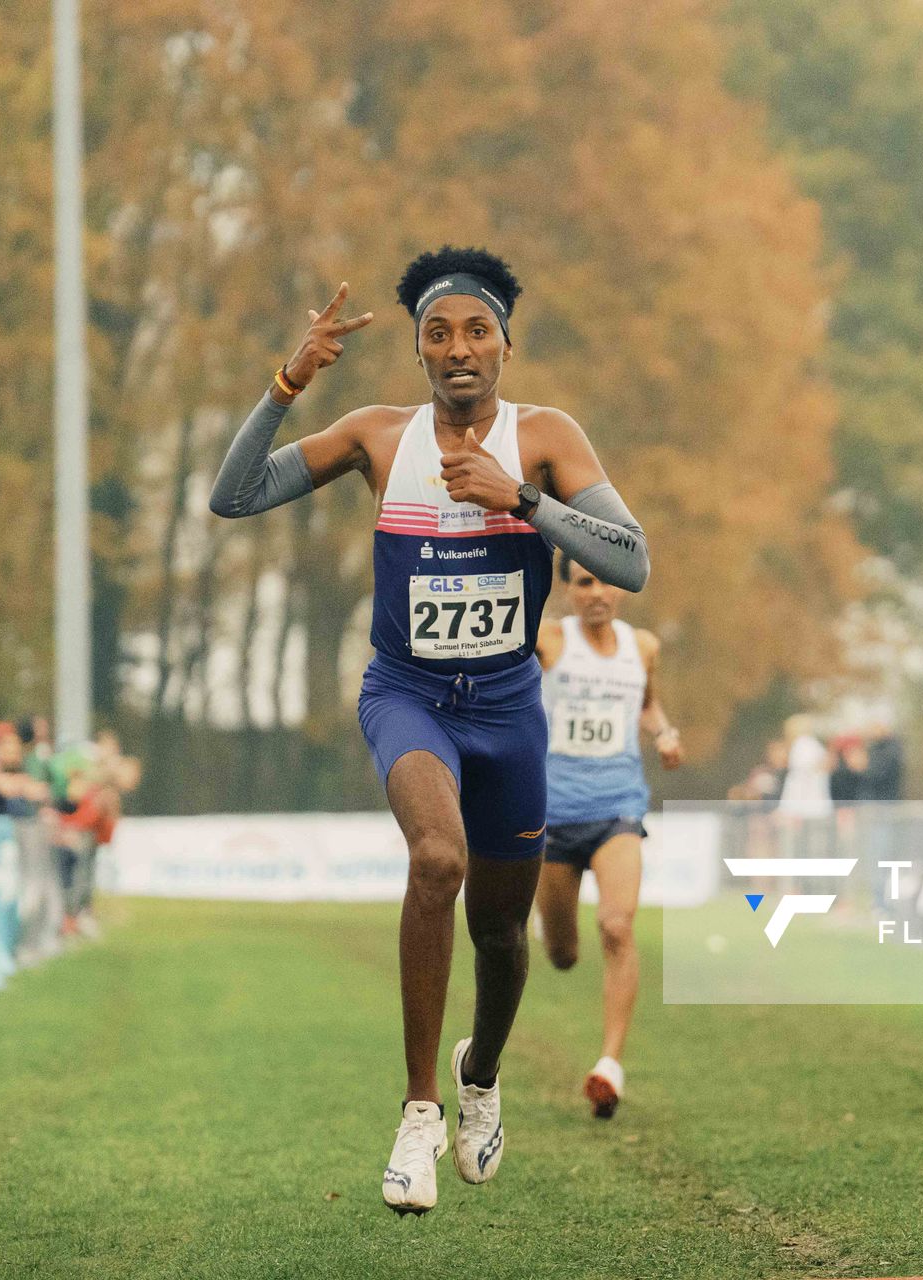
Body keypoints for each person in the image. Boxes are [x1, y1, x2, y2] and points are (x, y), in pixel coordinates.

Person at [208, 248, 649, 1214]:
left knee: (501, 929)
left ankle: (478, 1077)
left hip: (507, 710)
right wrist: (288, 382)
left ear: (504, 344)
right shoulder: (377, 436)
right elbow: (232, 496)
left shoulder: (545, 439)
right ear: (417, 351)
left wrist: (523, 500)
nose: (458, 350)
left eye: (476, 331)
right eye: (437, 334)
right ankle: (417, 1116)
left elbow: (634, 559)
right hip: (407, 695)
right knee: (437, 860)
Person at [532, 554, 682, 1120]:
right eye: (584, 582)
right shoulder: (548, 640)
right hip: (552, 816)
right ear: (568, 589)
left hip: (618, 806)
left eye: (606, 582)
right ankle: (549, 921)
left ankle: (609, 1065)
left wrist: (664, 732)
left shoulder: (642, 648)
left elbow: (645, 703)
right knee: (565, 955)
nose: (597, 593)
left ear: (622, 589)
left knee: (617, 924)